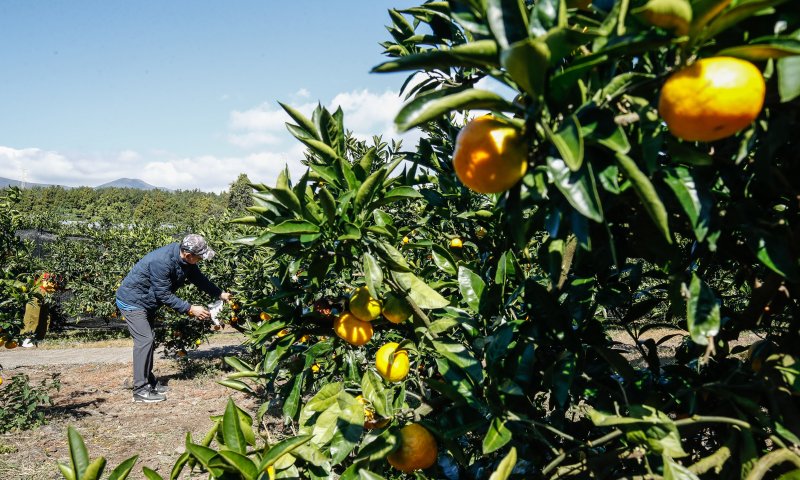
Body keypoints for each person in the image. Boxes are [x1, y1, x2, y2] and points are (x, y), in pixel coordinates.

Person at [115, 234, 231, 403]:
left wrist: (219, 294)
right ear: (188, 255)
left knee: (148, 339)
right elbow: (163, 294)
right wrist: (190, 308)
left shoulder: (186, 261)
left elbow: (199, 279)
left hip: (146, 302)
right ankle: (140, 390)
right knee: (145, 340)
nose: (200, 261)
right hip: (132, 301)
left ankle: (149, 381)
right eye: (199, 258)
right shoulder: (162, 262)